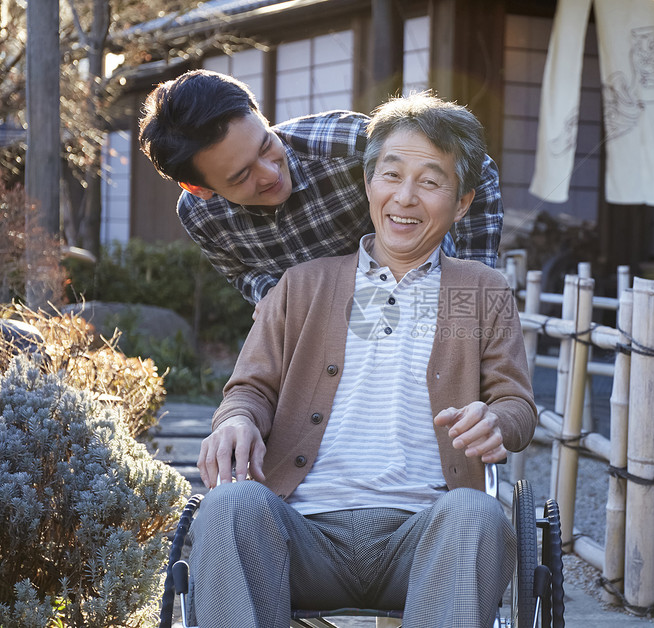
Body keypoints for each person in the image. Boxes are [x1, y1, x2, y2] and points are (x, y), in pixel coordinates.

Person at [186, 92, 537, 628]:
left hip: (425, 534)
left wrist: (496, 419)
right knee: (228, 507)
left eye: (431, 181)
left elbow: (516, 404)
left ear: (463, 202)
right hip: (302, 533)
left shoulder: (480, 291)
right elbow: (249, 389)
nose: (406, 197)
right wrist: (234, 421)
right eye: (391, 175)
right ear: (369, 184)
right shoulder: (302, 284)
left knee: (480, 514)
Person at [138, 69, 504, 305]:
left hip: (425, 296)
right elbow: (242, 273)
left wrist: (470, 281)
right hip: (324, 334)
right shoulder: (200, 215)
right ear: (198, 187)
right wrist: (279, 301)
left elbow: (478, 170)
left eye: (267, 145)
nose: (269, 174)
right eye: (241, 176)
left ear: (260, 116)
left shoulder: (343, 144)